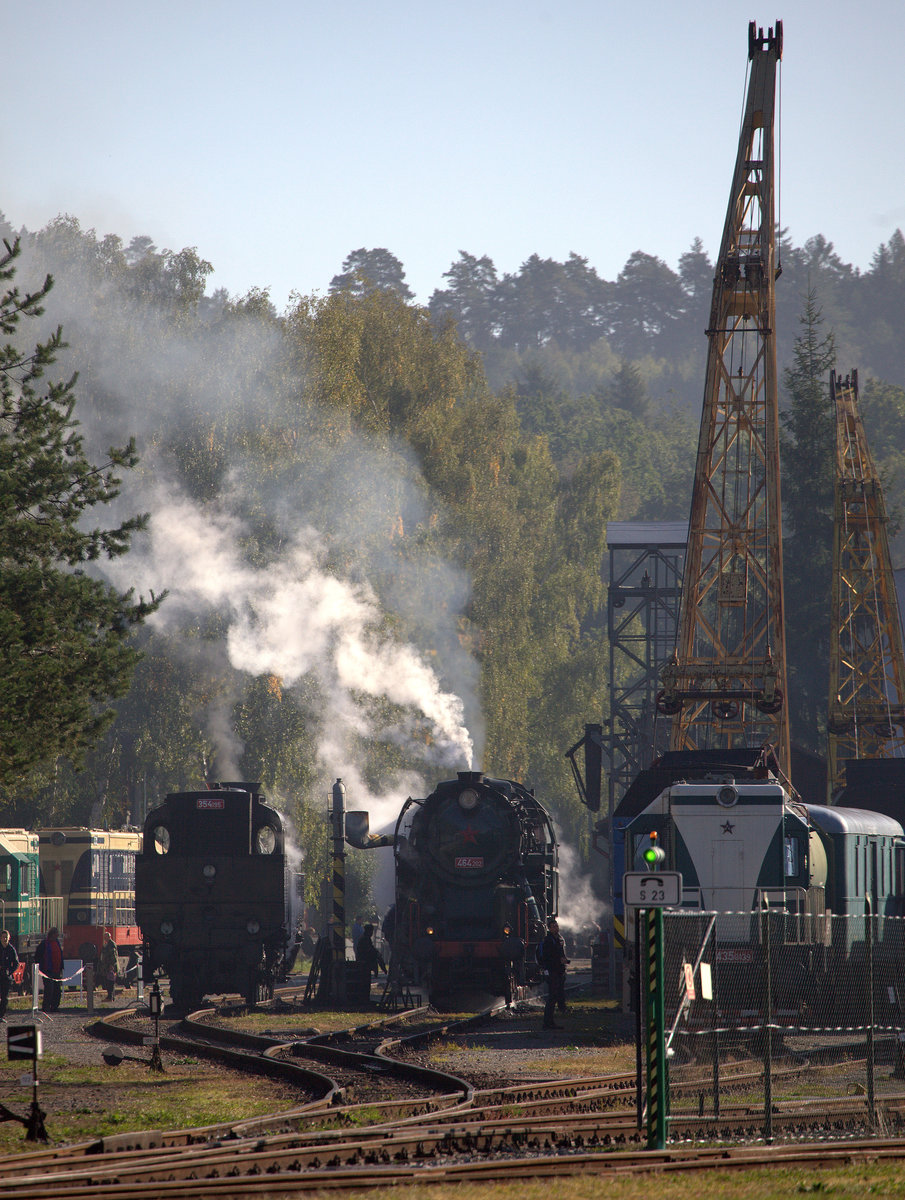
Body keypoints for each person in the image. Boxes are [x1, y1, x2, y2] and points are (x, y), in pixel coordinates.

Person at [539, 916, 569, 1030]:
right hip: (553, 971)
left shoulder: (558, 939)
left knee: (555, 996)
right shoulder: (548, 941)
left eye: (557, 926)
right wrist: (559, 961)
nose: (556, 928)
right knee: (552, 998)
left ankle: (550, 1021)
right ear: (549, 929)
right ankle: (547, 1022)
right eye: (553, 926)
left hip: (558, 971)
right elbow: (548, 957)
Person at [36, 927, 64, 1013]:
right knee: (49, 989)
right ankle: (46, 1007)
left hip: (56, 971)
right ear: (52, 934)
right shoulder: (44, 944)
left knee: (57, 990)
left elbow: (60, 956)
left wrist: (61, 967)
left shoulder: (57, 943)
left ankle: (54, 1006)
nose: (58, 935)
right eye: (56, 933)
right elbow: (38, 956)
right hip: (47, 971)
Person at [0, 929, 19, 1020]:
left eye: (6, 937)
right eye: (3, 937)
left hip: (6, 976)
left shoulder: (11, 950)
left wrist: (10, 972)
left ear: (9, 938)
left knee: (4, 997)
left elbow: (16, 963)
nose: (4, 939)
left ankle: (1, 1015)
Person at [99, 931, 119, 1002]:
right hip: (107, 966)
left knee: (110, 982)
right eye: (104, 937)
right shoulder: (107, 944)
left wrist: (111, 965)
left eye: (106, 937)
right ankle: (111, 997)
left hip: (110, 967)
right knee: (109, 982)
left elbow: (113, 956)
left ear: (109, 937)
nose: (104, 938)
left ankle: (110, 997)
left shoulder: (111, 945)